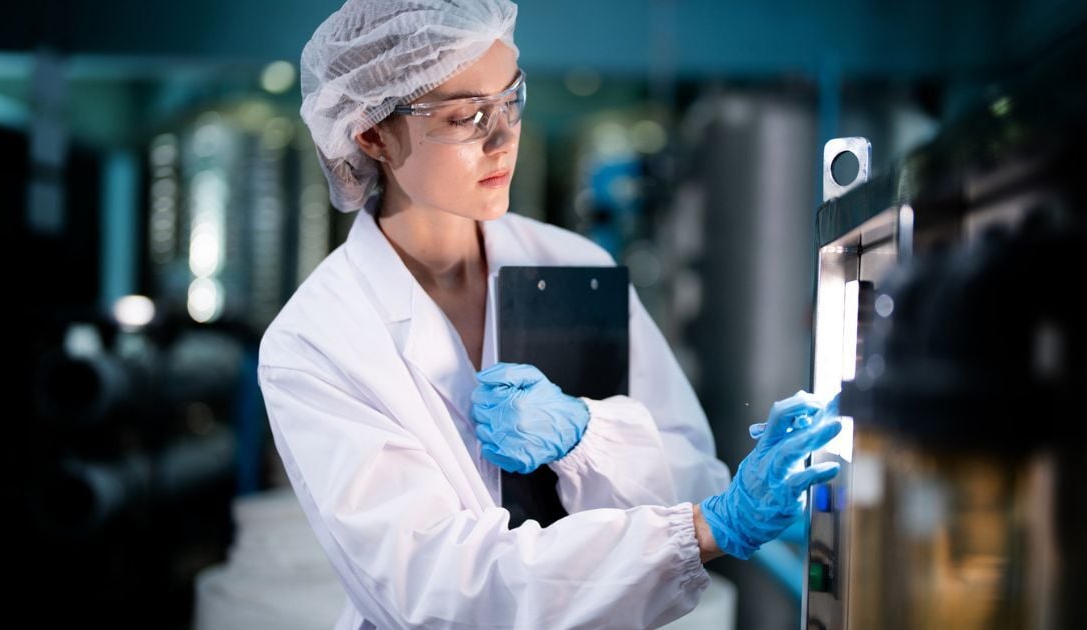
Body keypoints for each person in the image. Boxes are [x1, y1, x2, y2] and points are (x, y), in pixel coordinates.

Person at [257, 1, 842, 628]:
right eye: (465, 116)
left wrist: (588, 437)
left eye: (512, 100)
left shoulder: (570, 261)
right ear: (370, 133)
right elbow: (435, 590)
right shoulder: (317, 342)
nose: (503, 136)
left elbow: (689, 482)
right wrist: (706, 528)